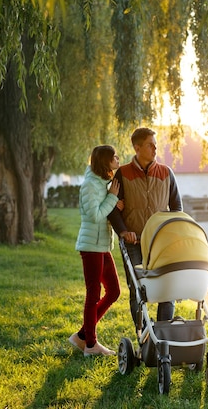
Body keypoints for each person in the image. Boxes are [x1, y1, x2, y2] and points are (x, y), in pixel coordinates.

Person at [109, 127, 182, 325]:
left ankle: (162, 333)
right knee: (137, 288)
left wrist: (171, 233)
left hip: (161, 243)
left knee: (167, 287)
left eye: (155, 144)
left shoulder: (167, 173)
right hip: (134, 243)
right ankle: (142, 334)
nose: (155, 148)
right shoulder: (122, 174)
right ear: (137, 147)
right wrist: (123, 231)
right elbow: (112, 208)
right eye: (150, 144)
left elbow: (176, 207)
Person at [69, 145, 122, 356]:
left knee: (114, 291)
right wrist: (112, 198)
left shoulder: (103, 183)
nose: (118, 159)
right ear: (104, 161)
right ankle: (90, 345)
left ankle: (82, 335)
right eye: (114, 157)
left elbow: (106, 206)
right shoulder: (90, 185)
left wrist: (114, 200)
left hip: (101, 246)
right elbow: (95, 215)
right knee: (94, 294)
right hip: (91, 247)